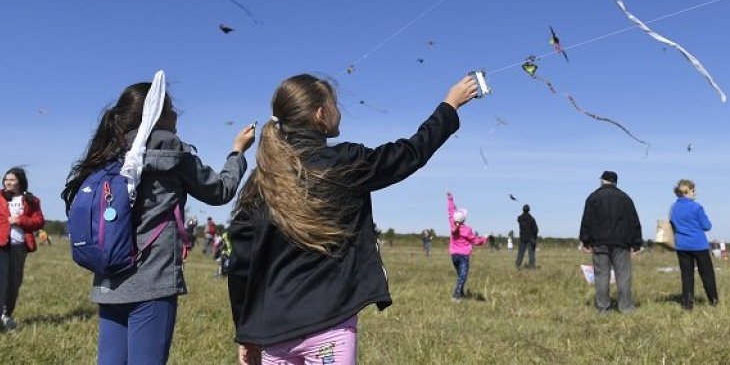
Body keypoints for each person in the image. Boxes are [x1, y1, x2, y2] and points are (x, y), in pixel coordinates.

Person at [228, 73, 477, 365]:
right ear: (320, 114)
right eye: (334, 103)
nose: (339, 110)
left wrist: (246, 331)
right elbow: (409, 154)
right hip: (330, 325)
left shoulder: (260, 181)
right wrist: (449, 106)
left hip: (273, 331)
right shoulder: (344, 163)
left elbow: (241, 265)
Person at [62, 74, 254, 365]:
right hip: (153, 279)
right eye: (170, 108)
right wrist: (237, 151)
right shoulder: (175, 155)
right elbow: (221, 191)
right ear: (156, 116)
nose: (176, 113)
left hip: (109, 278)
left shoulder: (108, 156)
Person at [579, 170, 642, 314]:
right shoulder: (625, 198)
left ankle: (603, 308)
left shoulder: (593, 197)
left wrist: (585, 241)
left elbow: (586, 221)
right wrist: (636, 243)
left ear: (603, 180)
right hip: (621, 243)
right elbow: (634, 221)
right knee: (623, 275)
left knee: (601, 275)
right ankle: (626, 308)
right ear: (615, 182)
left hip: (599, 242)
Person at [0, 167, 45, 330]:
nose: (7, 182)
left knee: (14, 283)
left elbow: (39, 221)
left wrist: (19, 220)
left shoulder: (31, 200)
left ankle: (6, 315)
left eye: (11, 180)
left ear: (20, 182)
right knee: (1, 281)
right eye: (6, 179)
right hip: (1, 245)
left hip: (19, 246)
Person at [670, 179, 718, 310]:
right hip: (699, 245)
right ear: (686, 191)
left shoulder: (674, 207)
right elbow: (706, 226)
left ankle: (687, 303)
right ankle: (713, 301)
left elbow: (672, 224)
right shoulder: (696, 207)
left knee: (687, 275)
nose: (695, 193)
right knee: (707, 274)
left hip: (682, 245)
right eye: (693, 190)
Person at [447, 192, 487, 301]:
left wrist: (450, 199)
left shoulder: (452, 224)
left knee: (460, 275)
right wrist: (484, 239)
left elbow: (450, 211)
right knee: (462, 276)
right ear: (464, 219)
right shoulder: (467, 229)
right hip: (464, 256)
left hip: (454, 255)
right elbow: (475, 240)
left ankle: (461, 293)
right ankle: (456, 296)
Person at [515, 204, 538, 269]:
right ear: (529, 210)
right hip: (531, 239)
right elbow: (536, 229)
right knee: (531, 254)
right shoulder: (532, 219)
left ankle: (517, 265)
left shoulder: (520, 218)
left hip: (522, 239)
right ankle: (532, 267)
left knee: (520, 253)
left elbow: (519, 220)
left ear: (523, 209)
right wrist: (534, 237)